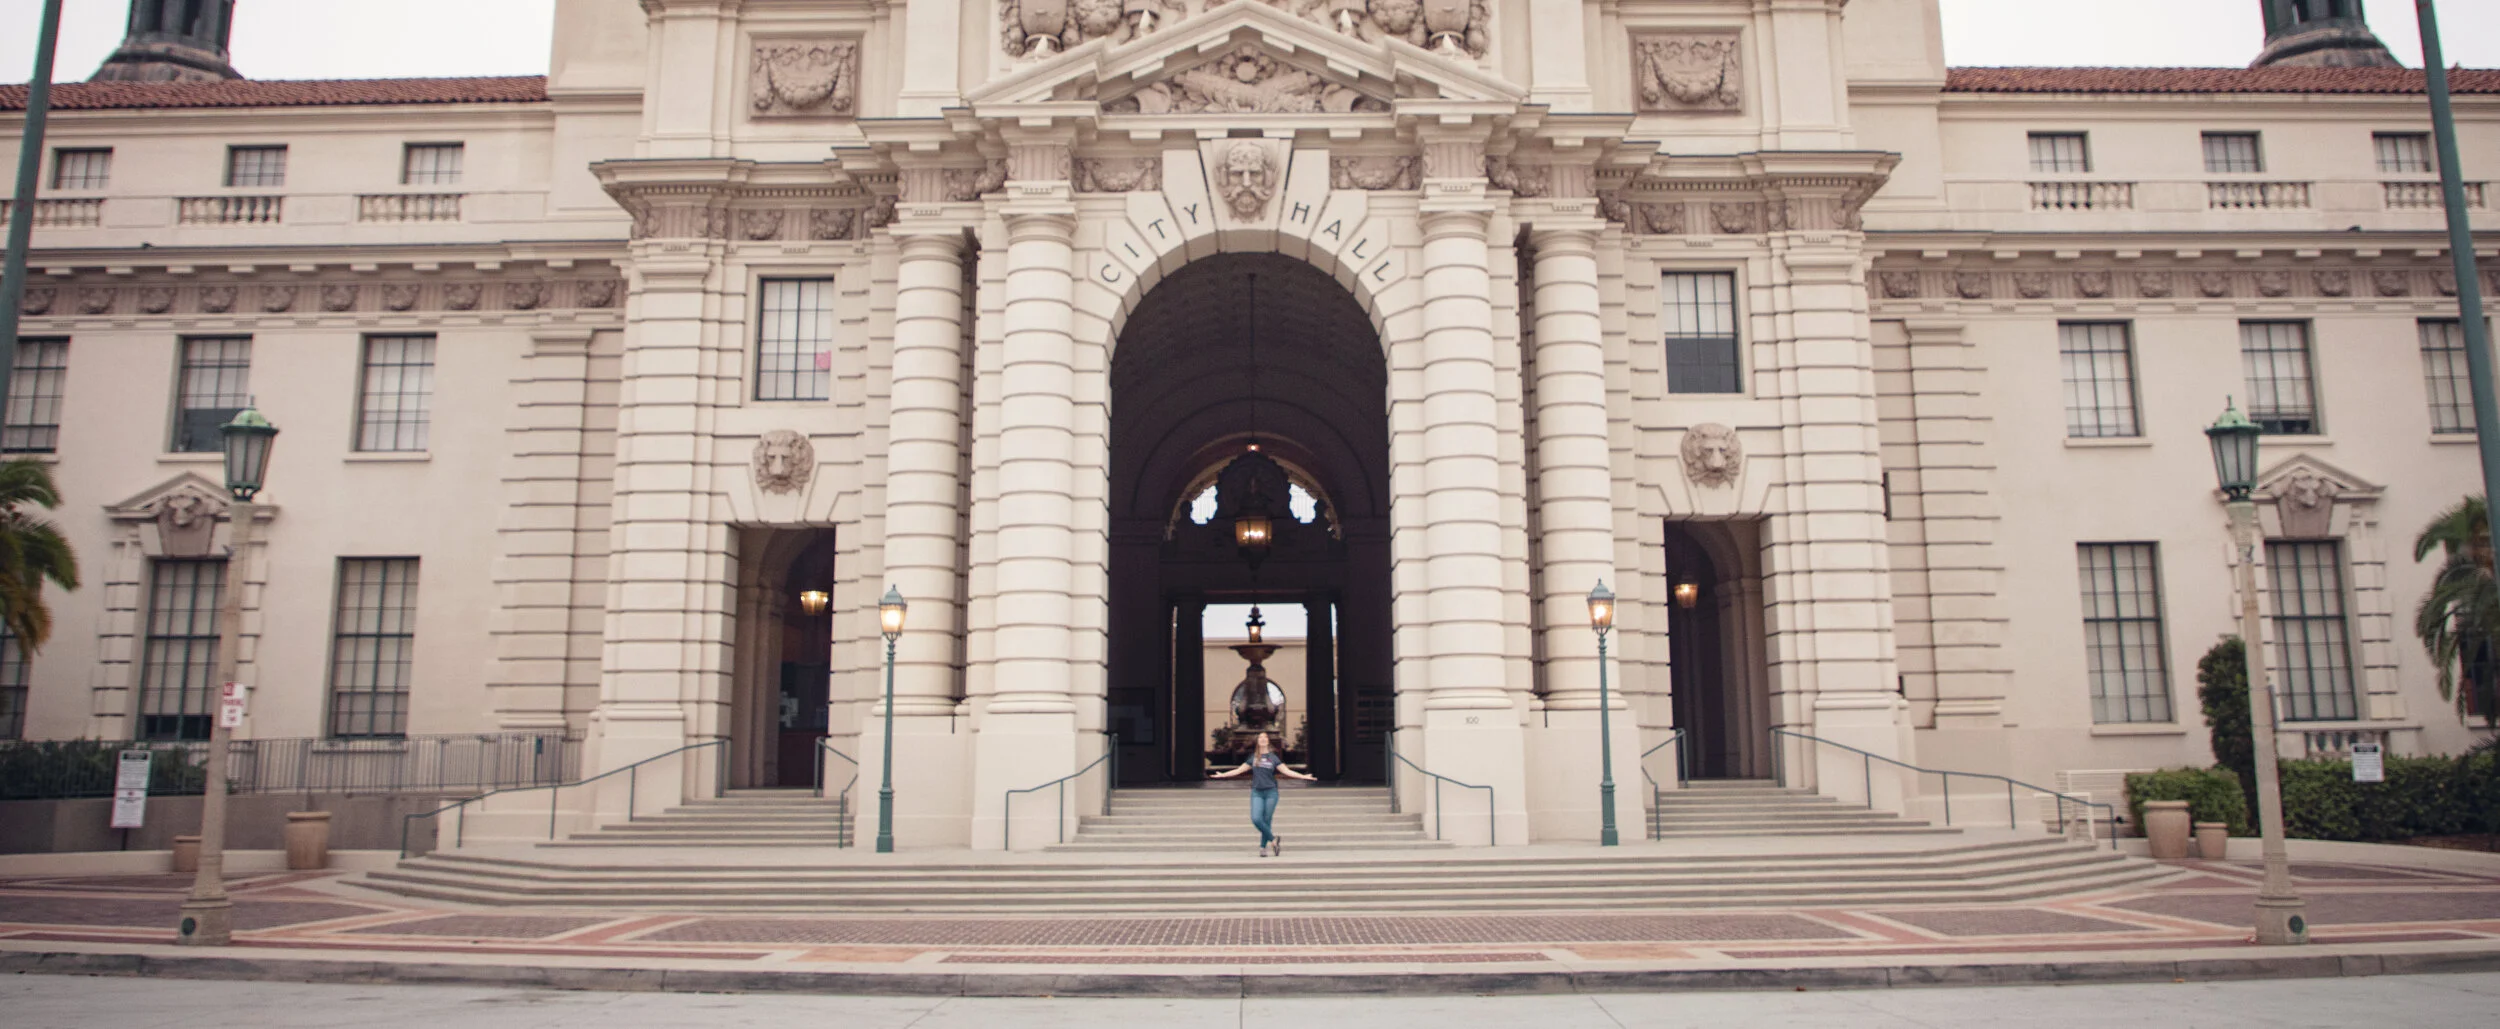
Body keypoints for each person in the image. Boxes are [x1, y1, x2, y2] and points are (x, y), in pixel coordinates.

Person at [1210, 731, 1314, 857]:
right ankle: (1273, 839)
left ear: (1268, 741)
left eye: (1265, 737)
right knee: (1256, 818)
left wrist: (1303, 776)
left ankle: (1262, 848)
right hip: (1257, 792)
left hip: (1271, 792)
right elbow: (1239, 770)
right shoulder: (1253, 758)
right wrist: (1223, 775)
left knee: (1267, 819)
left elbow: (1286, 771)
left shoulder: (1273, 757)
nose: (1263, 739)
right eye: (1260, 737)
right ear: (1257, 741)